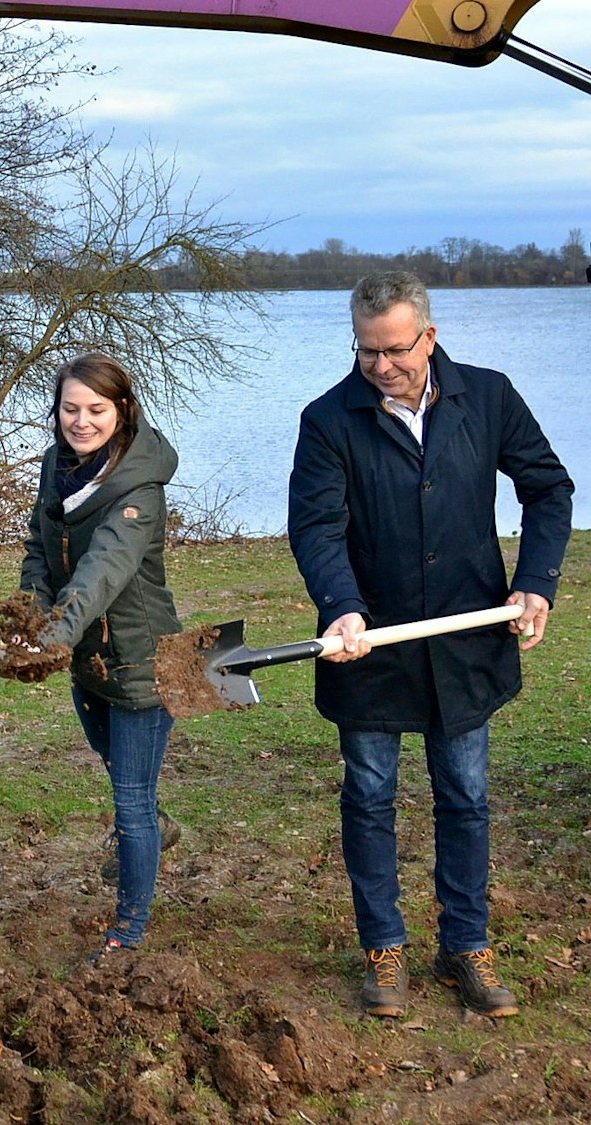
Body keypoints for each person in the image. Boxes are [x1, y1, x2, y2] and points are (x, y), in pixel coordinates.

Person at [288, 270, 572, 1019]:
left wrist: (535, 581)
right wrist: (341, 607)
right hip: (368, 644)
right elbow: (315, 528)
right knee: (370, 795)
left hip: (465, 637)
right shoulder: (328, 420)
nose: (382, 365)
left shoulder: (490, 396)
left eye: (396, 350)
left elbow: (549, 488)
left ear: (430, 336)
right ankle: (384, 947)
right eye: (367, 351)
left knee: (466, 795)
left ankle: (465, 944)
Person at [18, 353, 185, 966]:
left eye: (96, 409)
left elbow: (103, 569)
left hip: (142, 662)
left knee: (130, 805)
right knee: (125, 782)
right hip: (88, 661)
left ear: (123, 411)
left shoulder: (139, 489)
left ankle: (128, 931)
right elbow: (40, 548)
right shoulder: (57, 466)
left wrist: (56, 633)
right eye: (70, 409)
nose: (81, 422)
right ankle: (156, 828)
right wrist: (31, 616)